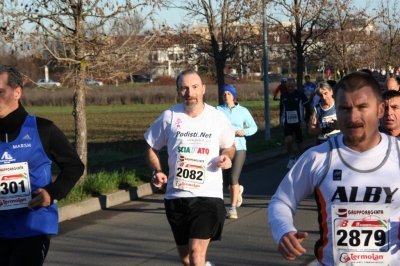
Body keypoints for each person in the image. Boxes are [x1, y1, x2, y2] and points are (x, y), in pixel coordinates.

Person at [268, 71, 400, 265]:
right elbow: (281, 201)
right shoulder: (318, 157)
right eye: (345, 108)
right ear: (335, 110)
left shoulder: (397, 154)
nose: (353, 117)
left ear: (380, 110)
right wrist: (283, 230)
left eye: (362, 107)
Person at [144, 69, 236, 266]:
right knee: (186, 258)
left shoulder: (217, 117)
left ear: (203, 89)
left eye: (194, 87)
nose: (190, 93)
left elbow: (229, 146)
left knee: (195, 255)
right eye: (184, 88)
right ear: (178, 91)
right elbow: (151, 147)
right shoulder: (169, 117)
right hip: (176, 197)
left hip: (208, 196)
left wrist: (226, 157)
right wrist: (157, 171)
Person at [0, 65, 84, 265]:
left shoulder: (43, 129)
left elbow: (74, 166)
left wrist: (52, 193)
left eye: (0, 92)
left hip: (33, 226)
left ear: (17, 92)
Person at [216, 84, 257, 219]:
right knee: (227, 183)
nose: (226, 96)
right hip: (224, 149)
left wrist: (244, 131)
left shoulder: (243, 111)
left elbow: (254, 127)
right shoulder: (218, 110)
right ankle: (237, 190)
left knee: (234, 178)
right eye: (224, 94)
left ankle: (232, 209)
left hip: (239, 148)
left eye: (229, 94)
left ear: (234, 96)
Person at [279, 77, 311, 169]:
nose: (290, 88)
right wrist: (280, 120)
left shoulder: (300, 95)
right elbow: (281, 108)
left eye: (292, 86)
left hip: (299, 123)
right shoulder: (283, 95)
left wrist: (305, 121)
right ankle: (292, 158)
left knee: (299, 144)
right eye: (288, 86)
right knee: (288, 140)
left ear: (295, 86)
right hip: (287, 122)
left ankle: (299, 159)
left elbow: (308, 109)